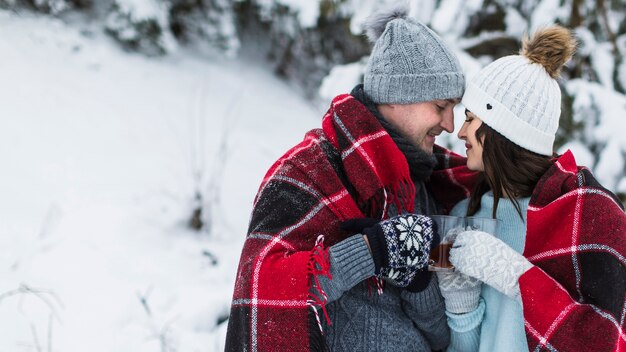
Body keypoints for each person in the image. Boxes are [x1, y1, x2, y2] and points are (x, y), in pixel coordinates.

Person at [224, 4, 478, 352]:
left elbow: (441, 333)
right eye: (440, 106)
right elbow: (266, 290)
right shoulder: (309, 172)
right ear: (397, 97)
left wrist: (417, 281)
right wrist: (371, 251)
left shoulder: (424, 182)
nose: (450, 124)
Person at [435, 25, 626, 351]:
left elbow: (604, 340)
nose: (460, 132)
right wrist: (460, 308)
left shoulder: (589, 214)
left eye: (470, 118)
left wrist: (515, 276)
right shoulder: (459, 213)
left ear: (500, 127)